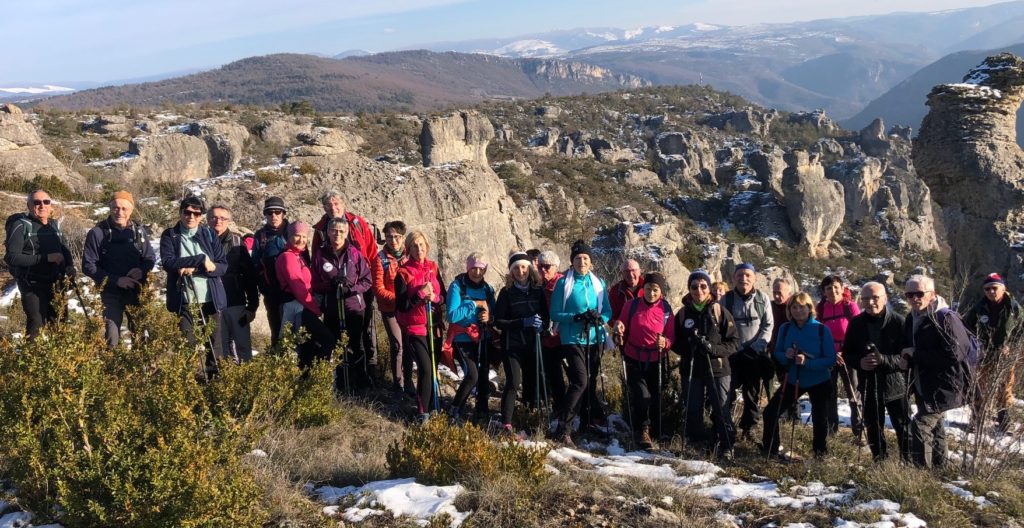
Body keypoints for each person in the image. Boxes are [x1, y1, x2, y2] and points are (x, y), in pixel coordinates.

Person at [899, 274, 973, 469]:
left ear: (932, 294)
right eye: (909, 295)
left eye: (919, 293)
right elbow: (910, 346)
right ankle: (940, 470)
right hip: (923, 383)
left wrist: (916, 354)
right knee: (936, 426)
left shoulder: (946, 317)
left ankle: (922, 474)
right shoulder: (912, 317)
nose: (914, 298)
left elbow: (955, 353)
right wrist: (906, 357)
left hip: (944, 384)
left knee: (920, 425)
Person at [550, 240, 612, 445]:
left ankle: (587, 422)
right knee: (580, 381)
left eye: (585, 258)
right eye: (578, 258)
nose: (582, 262)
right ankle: (563, 428)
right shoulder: (563, 283)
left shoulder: (598, 283)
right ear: (572, 261)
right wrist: (576, 317)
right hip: (572, 338)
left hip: (595, 338)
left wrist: (599, 318)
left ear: (591, 262)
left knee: (590, 382)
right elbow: (555, 313)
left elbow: (607, 311)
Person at [159, 196, 228, 379]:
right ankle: (190, 384)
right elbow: (168, 262)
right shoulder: (170, 235)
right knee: (187, 344)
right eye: (187, 212)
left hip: (210, 298)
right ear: (180, 212)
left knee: (214, 344)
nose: (191, 217)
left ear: (201, 216)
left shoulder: (209, 234)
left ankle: (216, 384)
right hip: (184, 299)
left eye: (196, 214)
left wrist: (196, 267)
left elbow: (222, 266)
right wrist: (201, 259)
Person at [762, 292, 837, 458]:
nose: (798, 311)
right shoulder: (785, 328)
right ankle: (770, 450)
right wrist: (786, 355)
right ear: (789, 310)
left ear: (810, 308)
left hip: (819, 381)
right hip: (793, 379)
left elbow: (830, 359)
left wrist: (807, 363)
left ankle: (819, 454)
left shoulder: (821, 329)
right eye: (794, 307)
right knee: (770, 412)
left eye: (802, 307)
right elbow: (777, 352)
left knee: (820, 419)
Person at [672, 270, 738, 458]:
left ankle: (726, 445)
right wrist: (689, 346)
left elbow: (734, 342)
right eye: (694, 286)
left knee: (721, 409)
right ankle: (696, 444)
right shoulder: (683, 314)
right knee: (693, 408)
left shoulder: (720, 311)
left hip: (718, 368)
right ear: (689, 289)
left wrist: (712, 348)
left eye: (703, 286)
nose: (698, 290)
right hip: (692, 368)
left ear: (709, 288)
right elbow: (674, 342)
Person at [843, 282, 910, 461]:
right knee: (873, 427)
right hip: (868, 384)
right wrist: (859, 362)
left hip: (895, 384)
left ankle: (908, 465)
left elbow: (906, 357)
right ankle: (879, 463)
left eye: (875, 298)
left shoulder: (899, 322)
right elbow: (847, 353)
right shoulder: (856, 324)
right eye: (865, 299)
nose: (870, 302)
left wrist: (884, 360)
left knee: (903, 427)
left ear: (885, 298)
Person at [311, 190, 379, 366]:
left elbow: (372, 253)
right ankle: (341, 372)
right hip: (332, 293)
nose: (333, 208)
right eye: (328, 205)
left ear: (343, 204)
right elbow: (315, 263)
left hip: (360, 286)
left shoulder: (357, 223)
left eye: (336, 203)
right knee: (335, 333)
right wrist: (327, 286)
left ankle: (368, 367)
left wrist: (370, 284)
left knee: (365, 328)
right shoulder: (320, 230)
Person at [81, 190, 156, 347]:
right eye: (115, 207)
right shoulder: (97, 233)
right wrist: (116, 281)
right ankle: (111, 362)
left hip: (136, 291)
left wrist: (141, 270)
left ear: (131, 210)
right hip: (110, 292)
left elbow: (149, 258)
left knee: (140, 334)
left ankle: (139, 363)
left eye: (124, 208)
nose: (119, 212)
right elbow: (88, 265)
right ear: (110, 208)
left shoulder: (138, 231)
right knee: (111, 337)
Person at [614, 272, 676, 450]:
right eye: (648, 289)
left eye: (655, 289)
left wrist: (665, 342)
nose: (651, 293)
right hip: (633, 357)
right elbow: (621, 324)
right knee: (642, 395)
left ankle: (656, 429)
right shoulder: (631, 305)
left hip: (656, 359)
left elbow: (671, 336)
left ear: (661, 291)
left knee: (655, 397)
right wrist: (618, 327)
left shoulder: (666, 309)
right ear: (643, 289)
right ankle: (642, 430)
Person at [4, 190, 74, 341]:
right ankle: (32, 355)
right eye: (36, 202)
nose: (42, 206)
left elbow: (64, 250)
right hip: (32, 284)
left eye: (46, 202)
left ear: (51, 205)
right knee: (36, 325)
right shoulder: (21, 226)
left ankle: (59, 356)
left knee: (60, 325)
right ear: (29, 205)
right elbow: (11, 257)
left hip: (56, 283)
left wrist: (70, 266)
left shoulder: (54, 225)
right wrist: (46, 258)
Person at [492, 251, 549, 435]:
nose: (520, 271)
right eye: (516, 268)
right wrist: (523, 322)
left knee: (531, 381)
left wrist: (542, 326)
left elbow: (546, 317)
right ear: (511, 271)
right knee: (514, 381)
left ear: (529, 268)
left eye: (523, 267)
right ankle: (506, 423)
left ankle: (528, 417)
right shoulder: (506, 292)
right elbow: (498, 321)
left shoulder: (538, 291)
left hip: (532, 343)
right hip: (512, 344)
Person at [313, 217, 373, 391]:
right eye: (333, 230)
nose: (337, 234)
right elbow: (314, 282)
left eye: (341, 231)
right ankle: (340, 384)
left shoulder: (354, 253)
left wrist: (351, 289)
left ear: (346, 233)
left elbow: (367, 280)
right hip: (331, 308)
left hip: (353, 307)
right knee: (336, 346)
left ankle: (359, 384)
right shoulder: (320, 254)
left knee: (355, 345)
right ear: (328, 232)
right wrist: (329, 285)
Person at [720, 263, 774, 443]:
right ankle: (725, 426)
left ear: (754, 278)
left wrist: (755, 348)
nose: (744, 278)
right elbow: (719, 326)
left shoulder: (762, 299)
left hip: (754, 356)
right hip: (732, 356)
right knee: (727, 393)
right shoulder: (726, 300)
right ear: (734, 278)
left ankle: (748, 429)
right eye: (740, 275)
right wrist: (731, 349)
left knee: (752, 394)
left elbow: (768, 326)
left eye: (748, 275)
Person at [394, 231, 445, 421]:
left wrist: (435, 298)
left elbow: (444, 296)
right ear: (408, 249)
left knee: (433, 367)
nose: (419, 249)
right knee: (425, 368)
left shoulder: (433, 267)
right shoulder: (403, 273)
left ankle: (432, 407)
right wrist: (420, 295)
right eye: (414, 246)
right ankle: (422, 412)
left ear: (427, 246)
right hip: (415, 328)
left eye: (421, 245)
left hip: (434, 325)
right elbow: (401, 306)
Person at [964, 273, 1022, 432]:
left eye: (994, 288)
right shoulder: (979, 308)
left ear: (1003, 288)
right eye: (987, 289)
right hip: (984, 354)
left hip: (1005, 356)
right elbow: (967, 329)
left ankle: (1004, 422)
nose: (991, 291)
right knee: (979, 387)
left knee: (1005, 388)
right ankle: (977, 421)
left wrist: (1010, 345)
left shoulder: (1014, 308)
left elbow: (1021, 331)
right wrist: (976, 346)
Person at [275, 221, 336, 370]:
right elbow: (298, 287)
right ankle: (318, 375)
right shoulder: (288, 257)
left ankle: (307, 377)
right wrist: (315, 309)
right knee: (326, 340)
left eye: (304, 236)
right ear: (289, 236)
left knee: (306, 347)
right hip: (297, 307)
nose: (301, 240)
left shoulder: (298, 256)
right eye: (297, 235)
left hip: (302, 306)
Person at [445, 251, 497, 423]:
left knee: (483, 374)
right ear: (468, 268)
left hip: (483, 336)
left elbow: (494, 313)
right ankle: (455, 409)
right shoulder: (457, 286)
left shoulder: (488, 289)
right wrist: (474, 304)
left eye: (481, 268)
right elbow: (452, 316)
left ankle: (482, 411)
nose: (477, 272)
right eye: (473, 268)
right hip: (462, 338)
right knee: (472, 375)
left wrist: (489, 317)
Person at [207, 205, 259, 362]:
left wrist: (252, 306)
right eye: (214, 217)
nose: (218, 221)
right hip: (212, 305)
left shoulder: (237, 243)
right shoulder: (202, 242)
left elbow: (249, 275)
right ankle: (222, 377)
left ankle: (246, 376)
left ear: (228, 220)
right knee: (218, 348)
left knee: (243, 347)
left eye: (222, 218)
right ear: (207, 220)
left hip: (236, 303)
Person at [817, 275, 863, 443]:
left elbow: (858, 332)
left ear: (842, 288)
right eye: (829, 288)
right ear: (824, 292)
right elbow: (818, 334)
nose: (833, 291)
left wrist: (845, 352)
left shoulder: (850, 307)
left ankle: (859, 432)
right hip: (829, 357)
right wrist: (831, 353)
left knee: (853, 393)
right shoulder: (821, 309)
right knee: (830, 395)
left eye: (836, 287)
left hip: (848, 357)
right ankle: (831, 430)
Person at [373, 220, 410, 394]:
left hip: (409, 308)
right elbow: (378, 288)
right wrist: (399, 300)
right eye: (389, 237)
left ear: (403, 237)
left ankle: (408, 381)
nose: (393, 240)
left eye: (397, 237)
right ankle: (398, 383)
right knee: (397, 345)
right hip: (390, 309)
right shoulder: (380, 259)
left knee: (409, 345)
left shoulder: (410, 255)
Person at [251, 197, 290, 347]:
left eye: (277, 212)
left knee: (297, 330)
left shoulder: (293, 231)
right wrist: (263, 287)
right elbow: (255, 264)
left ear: (283, 213)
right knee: (276, 331)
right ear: (265, 215)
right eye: (269, 213)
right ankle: (277, 359)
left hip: (293, 292)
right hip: (271, 293)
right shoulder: (260, 235)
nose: (274, 216)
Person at [538, 250, 567, 414]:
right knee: (553, 374)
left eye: (547, 266)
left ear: (556, 267)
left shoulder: (563, 285)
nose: (543, 270)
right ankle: (560, 406)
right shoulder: (540, 286)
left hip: (563, 337)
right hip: (548, 339)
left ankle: (575, 408)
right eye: (540, 266)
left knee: (573, 375)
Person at [769, 278, 797, 420]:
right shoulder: (769, 306)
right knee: (781, 384)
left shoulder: (794, 309)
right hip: (774, 352)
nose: (776, 296)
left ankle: (794, 416)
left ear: (789, 293)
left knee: (791, 385)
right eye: (774, 292)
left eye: (779, 293)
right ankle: (780, 413)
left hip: (791, 354)